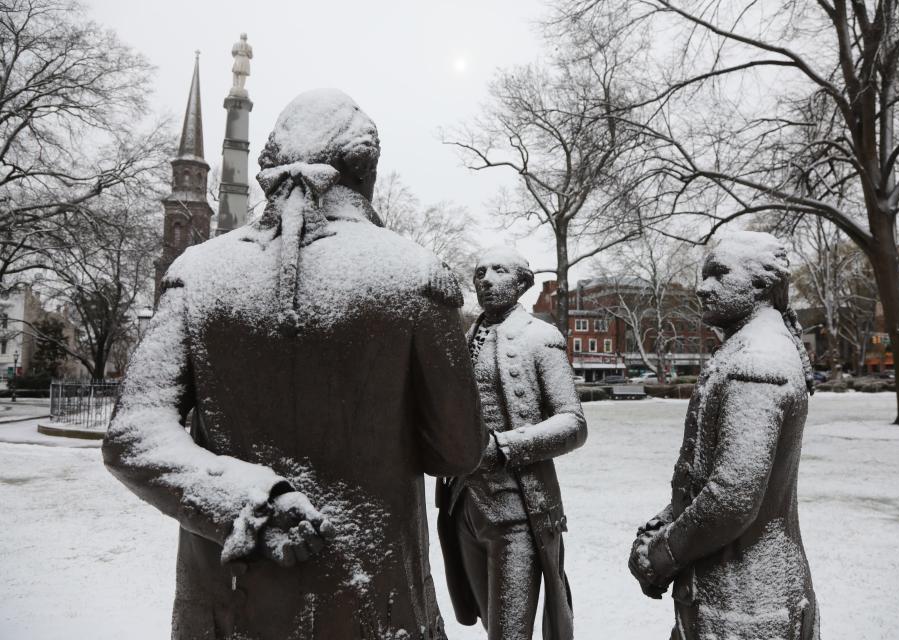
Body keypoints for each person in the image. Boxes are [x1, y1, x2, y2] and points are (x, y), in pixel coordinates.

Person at [103, 89, 486, 640]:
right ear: (366, 173)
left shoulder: (197, 275)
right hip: (373, 607)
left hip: (229, 612)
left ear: (269, 165)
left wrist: (247, 503)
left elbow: (134, 436)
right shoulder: (416, 277)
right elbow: (458, 449)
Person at [628, 231, 819, 639]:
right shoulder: (745, 351)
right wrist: (661, 524)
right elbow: (710, 479)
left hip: (743, 606)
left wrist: (659, 556)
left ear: (761, 283)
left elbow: (732, 496)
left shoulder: (756, 362)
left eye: (718, 274)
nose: (702, 287)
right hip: (735, 597)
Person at [437, 246, 587, 640]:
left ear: (522, 282)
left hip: (517, 513)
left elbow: (573, 423)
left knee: (510, 634)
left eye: (498, 270)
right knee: (491, 626)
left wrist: (506, 447)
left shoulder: (541, 337)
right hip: (463, 506)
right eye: (479, 271)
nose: (485, 278)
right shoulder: (464, 337)